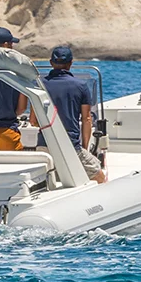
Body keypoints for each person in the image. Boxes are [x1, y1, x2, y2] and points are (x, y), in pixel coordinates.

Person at [41, 45, 106, 183]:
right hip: (69, 145)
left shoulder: (40, 85)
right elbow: (87, 119)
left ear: (51, 63)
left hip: (43, 146)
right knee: (100, 176)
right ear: (71, 63)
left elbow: (34, 121)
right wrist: (85, 147)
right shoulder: (81, 86)